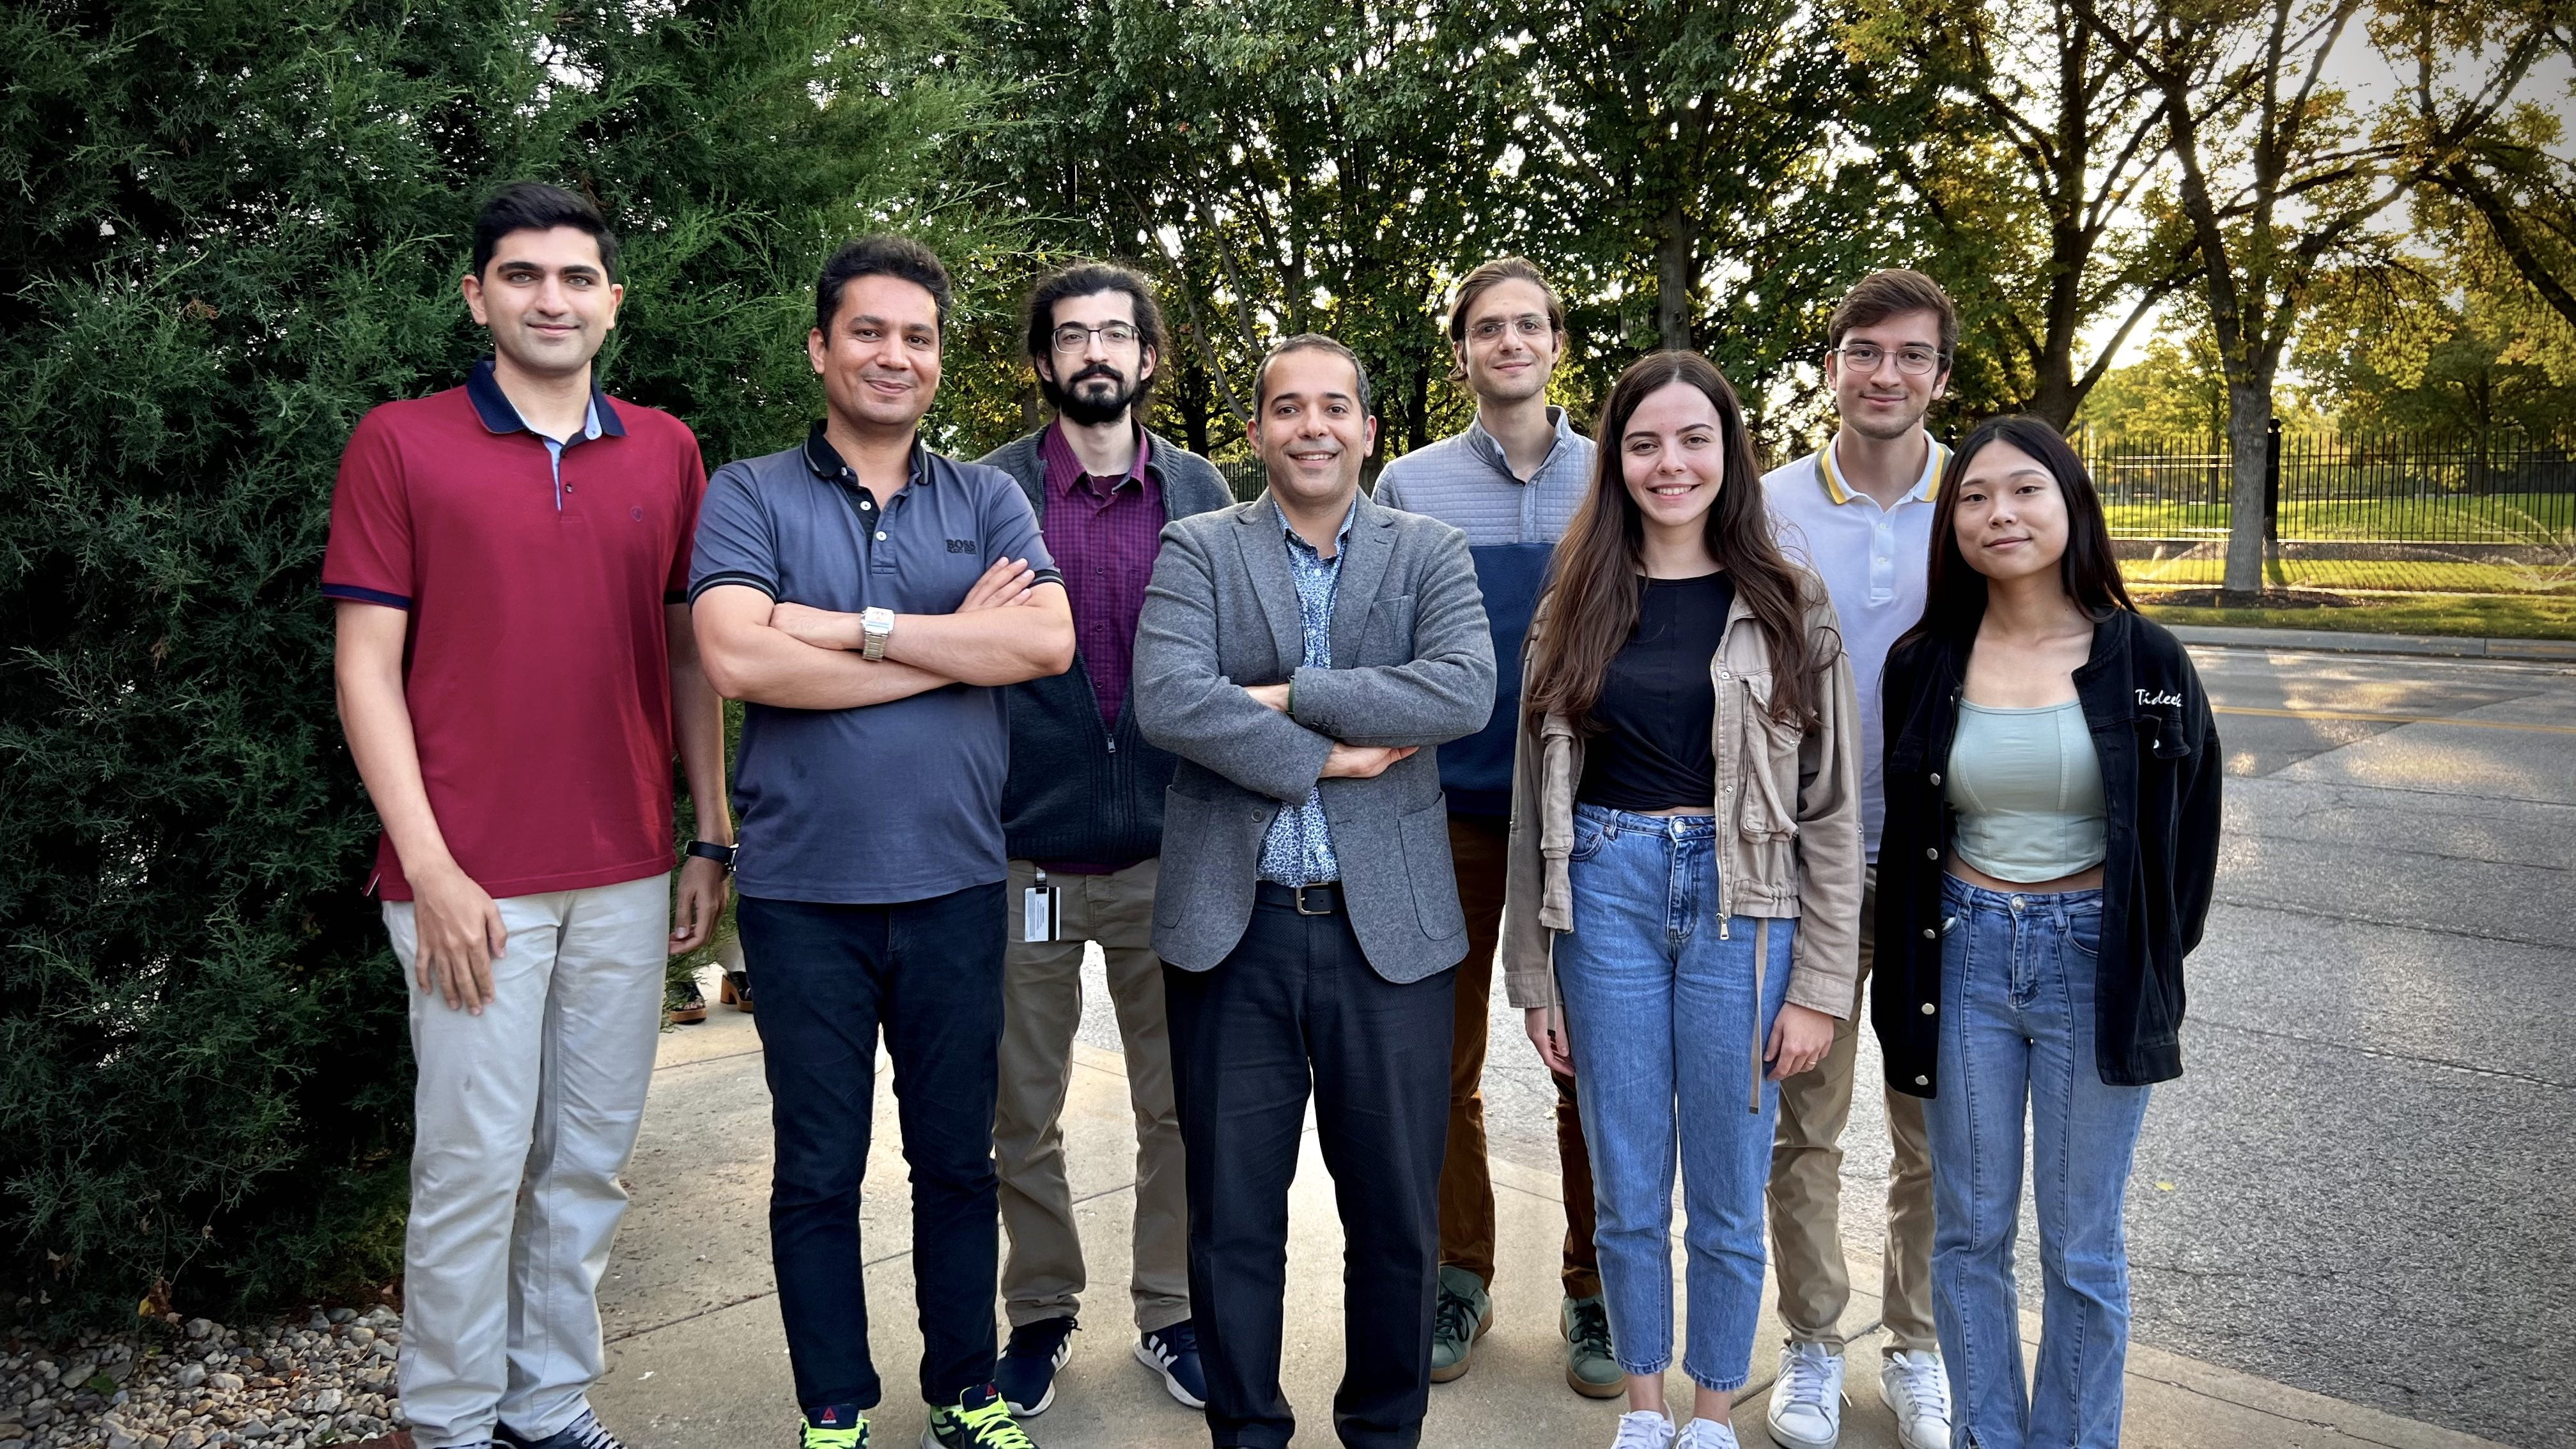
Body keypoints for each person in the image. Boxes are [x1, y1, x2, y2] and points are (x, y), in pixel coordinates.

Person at [323, 182, 731, 1449]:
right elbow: (363, 671)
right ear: (478, 296)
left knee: (585, 1162)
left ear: (613, 301)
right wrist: (434, 870)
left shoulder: (666, 450)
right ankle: (447, 1420)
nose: (549, 299)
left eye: (574, 278)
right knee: (470, 1165)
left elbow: (690, 661)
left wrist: (706, 832)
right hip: (465, 883)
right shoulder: (400, 442)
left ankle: (546, 1401)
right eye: (521, 276)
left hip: (621, 869)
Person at [688, 235, 1077, 1449]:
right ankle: (832, 1406)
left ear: (940, 360)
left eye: (916, 337)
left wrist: (843, 631)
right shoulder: (749, 492)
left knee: (958, 1162)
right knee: (816, 1170)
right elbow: (738, 657)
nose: (892, 355)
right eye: (867, 331)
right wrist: (934, 641)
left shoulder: (989, 499)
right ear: (820, 346)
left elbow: (1044, 647)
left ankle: (965, 1388)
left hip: (959, 882)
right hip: (805, 895)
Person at [1132, 334, 1496, 1449]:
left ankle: (1383, 1430)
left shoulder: (1431, 549)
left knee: (1392, 1216)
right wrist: (1325, 755)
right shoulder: (1197, 547)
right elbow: (1170, 699)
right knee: (1233, 1216)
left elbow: (1465, 688)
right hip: (1229, 932)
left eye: (1334, 406)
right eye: (1286, 409)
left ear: (1368, 429)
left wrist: (1290, 694)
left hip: (1385, 939)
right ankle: (1247, 1432)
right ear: (1255, 433)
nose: (1311, 427)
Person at [1500, 351, 1863, 1449]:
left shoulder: (1788, 602)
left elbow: (1834, 810)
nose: (1670, 463)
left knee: (1725, 1181)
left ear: (1727, 452)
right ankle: (1646, 1409)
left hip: (1743, 912)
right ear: (1615, 459)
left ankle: (1714, 1410)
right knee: (1623, 1181)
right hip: (1600, 896)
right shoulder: (1573, 603)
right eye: (1645, 442)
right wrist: (1534, 975)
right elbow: (1530, 805)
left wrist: (1819, 984)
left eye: (1692, 439)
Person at [1872, 417, 2221, 1449]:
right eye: (1974, 497)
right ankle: (1987, 1435)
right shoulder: (1926, 661)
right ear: (1954, 524)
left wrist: (2144, 955)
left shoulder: (2144, 657)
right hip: (1964, 955)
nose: (1999, 514)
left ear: (2069, 506)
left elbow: (2188, 835)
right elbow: (1908, 836)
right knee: (1969, 1232)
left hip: (2092, 963)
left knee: (2081, 1247)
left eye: (2024, 491)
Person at [974, 262, 1233, 1416]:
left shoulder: (1204, 492)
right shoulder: (983, 494)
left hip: (1170, 853)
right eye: (1070, 336)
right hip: (1023, 854)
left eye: (1115, 335)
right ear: (1041, 362)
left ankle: (1169, 1313)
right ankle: (1039, 1315)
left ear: (1146, 359)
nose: (1093, 353)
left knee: (1178, 1102)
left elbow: (1232, 663)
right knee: (1016, 1109)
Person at [1370, 257, 1615, 1397]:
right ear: (1461, 350)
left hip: (1588, 821)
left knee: (1593, 1069)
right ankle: (1455, 1275)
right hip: (1450, 815)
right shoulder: (1411, 487)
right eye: (1485, 328)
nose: (1507, 342)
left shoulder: (1615, 475)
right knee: (1439, 1067)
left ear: (1556, 343)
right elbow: (1380, 635)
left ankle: (1598, 1291)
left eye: (1528, 324)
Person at [1756, 268, 1957, 1449]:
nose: (1886, 374)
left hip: (1950, 869)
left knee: (1936, 1132)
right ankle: (1813, 1344)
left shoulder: (1980, 496)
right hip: (1809, 866)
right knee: (1806, 1127)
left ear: (1939, 374)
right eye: (1864, 351)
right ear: (1828, 363)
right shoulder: (1769, 503)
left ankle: (1918, 1346)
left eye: (1911, 356)